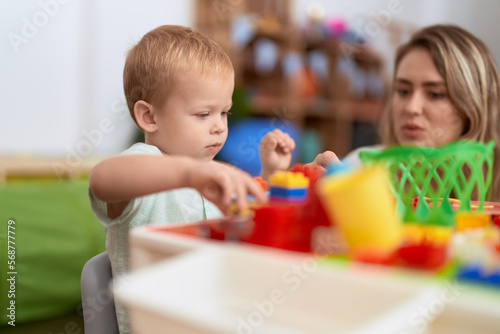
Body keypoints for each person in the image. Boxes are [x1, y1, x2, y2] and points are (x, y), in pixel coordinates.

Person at [88, 25, 293, 334]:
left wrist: (270, 175)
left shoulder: (214, 171)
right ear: (149, 117)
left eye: (224, 113)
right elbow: (102, 179)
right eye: (203, 114)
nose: (219, 127)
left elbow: (252, 220)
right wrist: (189, 173)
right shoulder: (145, 165)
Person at [310, 24, 500, 202]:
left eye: (435, 94)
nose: (411, 107)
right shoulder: (359, 167)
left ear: (473, 107)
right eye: (403, 91)